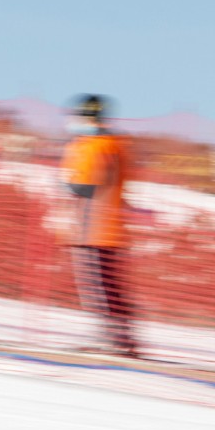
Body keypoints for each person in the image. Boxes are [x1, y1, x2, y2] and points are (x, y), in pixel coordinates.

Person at [61, 94, 138, 356]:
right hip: (111, 227)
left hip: (92, 229)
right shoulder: (117, 144)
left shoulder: (92, 146)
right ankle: (124, 340)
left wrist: (65, 177)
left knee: (98, 288)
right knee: (111, 287)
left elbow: (82, 186)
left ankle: (113, 340)